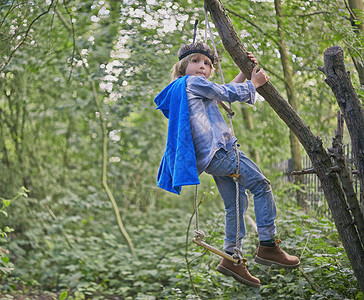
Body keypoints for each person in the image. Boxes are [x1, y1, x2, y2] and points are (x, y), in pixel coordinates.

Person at [154, 42, 300, 288]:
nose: (202, 66)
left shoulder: (186, 87)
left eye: (207, 64)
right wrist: (254, 84)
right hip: (221, 152)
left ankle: (232, 258)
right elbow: (225, 93)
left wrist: (245, 72)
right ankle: (268, 245)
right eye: (196, 61)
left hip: (212, 160)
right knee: (262, 185)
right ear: (182, 66)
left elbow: (223, 90)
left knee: (236, 203)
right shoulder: (192, 83)